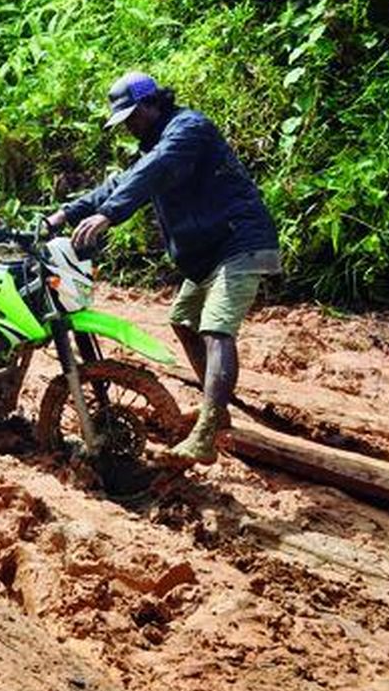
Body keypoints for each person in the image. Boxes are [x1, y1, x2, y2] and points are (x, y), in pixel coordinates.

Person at [44, 71, 280, 465]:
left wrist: (109, 216)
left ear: (155, 103)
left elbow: (154, 170)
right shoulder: (152, 146)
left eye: (134, 116)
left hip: (238, 242)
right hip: (208, 253)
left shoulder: (189, 130)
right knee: (183, 320)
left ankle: (206, 434)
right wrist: (63, 213)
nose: (131, 126)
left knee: (216, 328)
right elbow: (121, 182)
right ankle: (217, 413)